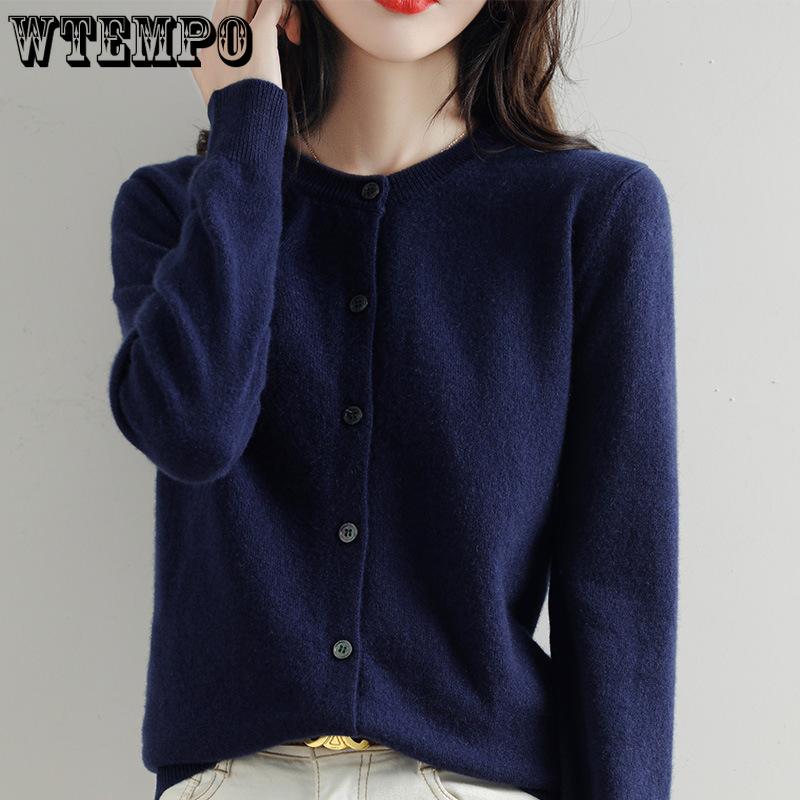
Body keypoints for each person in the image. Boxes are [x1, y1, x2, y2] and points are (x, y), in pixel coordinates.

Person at [107, 1, 679, 799]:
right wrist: (246, 126)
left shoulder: (592, 213)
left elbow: (621, 594)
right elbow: (193, 429)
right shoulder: (176, 209)